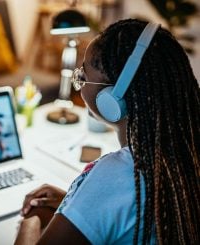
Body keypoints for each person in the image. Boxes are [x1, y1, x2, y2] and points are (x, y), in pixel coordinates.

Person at [15, 19, 199, 244]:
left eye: (83, 76)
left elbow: (118, 193)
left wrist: (30, 221)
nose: (79, 81)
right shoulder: (186, 156)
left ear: (114, 97)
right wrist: (78, 206)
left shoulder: (117, 174)